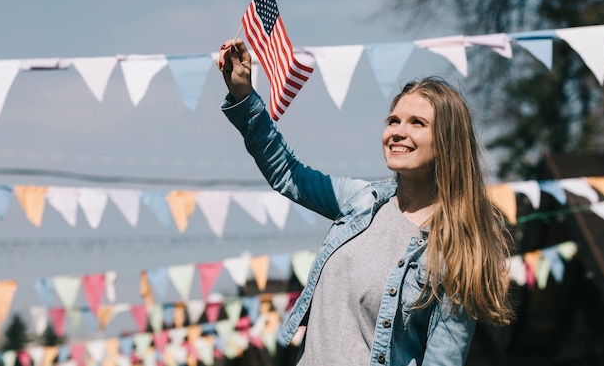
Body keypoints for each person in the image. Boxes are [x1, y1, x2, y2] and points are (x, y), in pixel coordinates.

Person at [217, 39, 513, 366]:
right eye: (393, 120)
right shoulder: (361, 201)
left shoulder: (455, 254)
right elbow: (287, 173)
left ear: (446, 142)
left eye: (417, 123)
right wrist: (244, 97)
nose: (398, 132)